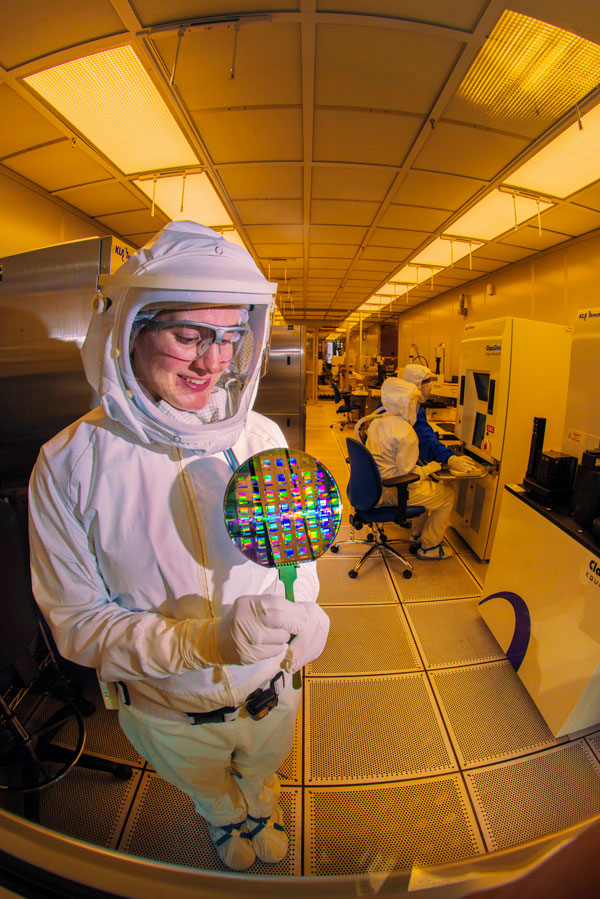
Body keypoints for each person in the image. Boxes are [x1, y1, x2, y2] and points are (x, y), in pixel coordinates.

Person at [27, 222, 329, 871]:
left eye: (229, 336)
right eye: (189, 334)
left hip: (274, 689)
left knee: (263, 767)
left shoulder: (261, 434)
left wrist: (309, 611)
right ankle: (223, 818)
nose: (214, 360)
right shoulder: (69, 463)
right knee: (202, 780)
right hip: (169, 710)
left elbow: (295, 553)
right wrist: (203, 644)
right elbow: (79, 627)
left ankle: (260, 803)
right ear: (130, 330)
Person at [365, 378, 454, 560]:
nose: (417, 407)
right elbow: (408, 476)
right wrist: (432, 467)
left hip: (373, 488)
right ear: (405, 403)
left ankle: (417, 533)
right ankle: (430, 546)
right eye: (415, 402)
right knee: (446, 494)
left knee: (428, 487)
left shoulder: (376, 422)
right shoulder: (405, 431)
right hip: (392, 491)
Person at [402, 363, 478, 476]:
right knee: (448, 493)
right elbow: (426, 441)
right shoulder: (410, 410)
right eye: (427, 382)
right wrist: (450, 458)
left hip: (389, 473)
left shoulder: (393, 404)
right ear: (418, 385)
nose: (430, 387)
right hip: (399, 477)